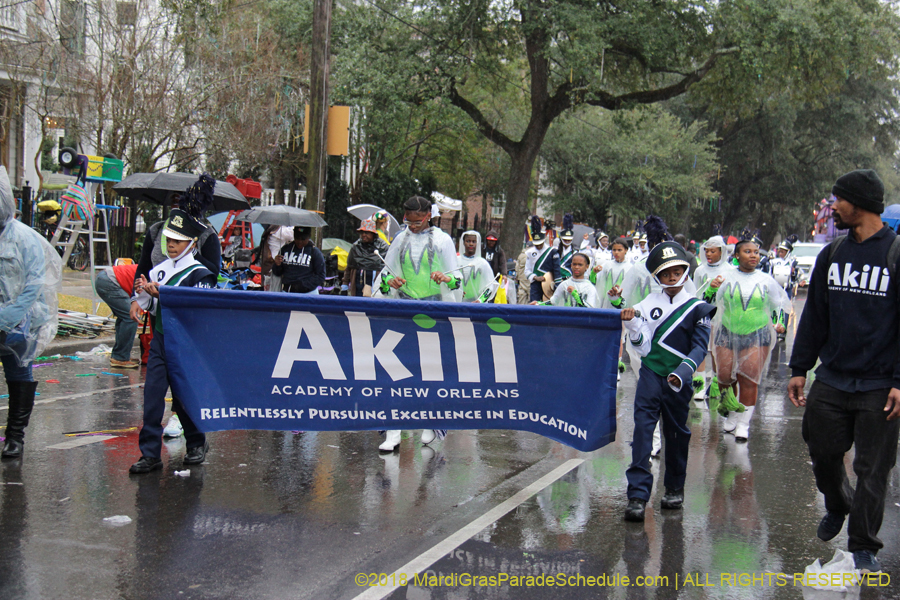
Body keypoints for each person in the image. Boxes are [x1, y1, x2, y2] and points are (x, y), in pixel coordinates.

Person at [788, 169, 900, 574]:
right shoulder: (832, 253)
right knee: (821, 450)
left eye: (839, 199)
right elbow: (815, 316)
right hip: (833, 378)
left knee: (873, 468)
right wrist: (800, 367)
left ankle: (863, 545)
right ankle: (837, 502)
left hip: (879, 384)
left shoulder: (896, 254)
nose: (833, 207)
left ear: (861, 204)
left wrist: (899, 381)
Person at [615, 242, 715, 521]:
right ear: (657, 277)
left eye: (676, 272)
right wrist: (633, 324)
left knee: (676, 434)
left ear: (685, 272)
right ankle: (637, 495)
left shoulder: (699, 308)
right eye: (665, 274)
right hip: (650, 375)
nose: (671, 278)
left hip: (678, 380)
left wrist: (682, 372)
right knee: (642, 433)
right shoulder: (646, 304)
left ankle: (673, 488)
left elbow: (700, 348)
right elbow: (643, 346)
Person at [129, 209, 218, 473]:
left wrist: (163, 295)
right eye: (169, 239)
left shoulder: (202, 274)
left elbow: (198, 311)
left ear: (192, 243)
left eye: (177, 241)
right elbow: (153, 306)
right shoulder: (160, 270)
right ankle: (150, 454)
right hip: (160, 339)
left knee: (183, 398)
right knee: (152, 396)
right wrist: (142, 295)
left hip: (186, 344)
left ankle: (196, 443)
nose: (170, 245)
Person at [375, 196, 461, 451]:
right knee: (394, 366)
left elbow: (457, 279)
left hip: (433, 309)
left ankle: (430, 422)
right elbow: (386, 274)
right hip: (402, 307)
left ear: (428, 216)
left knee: (429, 368)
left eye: (417, 221)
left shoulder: (443, 241)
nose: (412, 226)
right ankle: (393, 430)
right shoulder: (399, 239)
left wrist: (445, 278)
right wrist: (390, 282)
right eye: (408, 221)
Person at [0, 166, 61, 459]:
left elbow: (34, 285)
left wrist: (6, 319)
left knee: (19, 373)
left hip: (20, 324)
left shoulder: (24, 239)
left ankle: (15, 437)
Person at [706, 238, 790, 441]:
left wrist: (779, 323)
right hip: (726, 332)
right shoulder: (725, 278)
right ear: (736, 255)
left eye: (756, 252)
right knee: (724, 377)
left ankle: (743, 423)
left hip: (756, 334)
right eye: (748, 251)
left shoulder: (766, 280)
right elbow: (707, 303)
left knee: (748, 378)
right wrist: (712, 289)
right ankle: (732, 412)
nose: (753, 255)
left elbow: (778, 305)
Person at [691, 236, 734, 401]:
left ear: (721, 252)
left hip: (721, 317)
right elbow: (695, 292)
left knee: (717, 351)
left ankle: (716, 384)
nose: (708, 254)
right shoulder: (700, 271)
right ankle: (700, 386)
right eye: (706, 251)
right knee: (700, 349)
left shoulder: (729, 270)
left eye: (713, 251)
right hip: (702, 315)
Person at [95, 262, 140, 368]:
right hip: (109, 281)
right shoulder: (156, 275)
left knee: (124, 317)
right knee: (131, 317)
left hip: (106, 277)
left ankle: (120, 355)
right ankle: (120, 357)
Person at [341, 218, 389, 297]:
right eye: (362, 232)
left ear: (373, 233)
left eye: (366, 232)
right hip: (357, 288)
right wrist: (344, 285)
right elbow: (349, 268)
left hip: (376, 289)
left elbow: (388, 269)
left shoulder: (382, 247)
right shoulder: (356, 247)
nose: (363, 235)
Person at [273, 226, 326, 295]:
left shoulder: (315, 252)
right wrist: (277, 265)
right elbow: (277, 273)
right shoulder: (286, 249)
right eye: (297, 238)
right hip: (287, 292)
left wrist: (303, 286)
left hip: (308, 293)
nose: (300, 242)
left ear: (309, 237)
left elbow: (321, 275)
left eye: (303, 239)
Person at [525, 216, 560, 302]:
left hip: (549, 284)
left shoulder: (552, 251)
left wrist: (556, 283)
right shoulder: (529, 252)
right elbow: (527, 270)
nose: (538, 246)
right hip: (535, 285)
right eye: (536, 244)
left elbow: (556, 269)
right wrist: (535, 277)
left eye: (540, 244)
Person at [458, 230, 497, 302]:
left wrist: (480, 300)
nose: (471, 244)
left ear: (477, 243)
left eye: (474, 242)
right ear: (463, 242)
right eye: (468, 241)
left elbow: (491, 285)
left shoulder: (482, 263)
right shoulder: (456, 261)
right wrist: (456, 292)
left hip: (476, 305)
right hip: (457, 303)